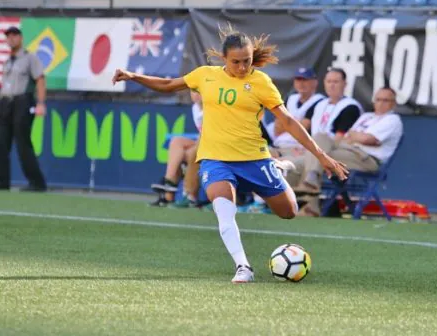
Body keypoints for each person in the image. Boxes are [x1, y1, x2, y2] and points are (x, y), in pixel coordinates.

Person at [112, 26, 348, 283]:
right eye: (236, 62)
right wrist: (133, 76)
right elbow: (169, 84)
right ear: (224, 59)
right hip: (216, 159)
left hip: (254, 159)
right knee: (224, 212)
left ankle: (278, 167)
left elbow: (289, 121)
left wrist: (322, 155)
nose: (242, 67)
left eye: (247, 61)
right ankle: (243, 266)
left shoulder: (261, 82)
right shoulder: (205, 75)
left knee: (288, 211)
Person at [300, 87, 404, 217]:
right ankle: (290, 197)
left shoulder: (393, 119)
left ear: (393, 103)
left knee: (315, 157)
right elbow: (347, 137)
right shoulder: (366, 116)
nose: (381, 103)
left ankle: (310, 201)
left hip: (366, 159)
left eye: (386, 100)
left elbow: (368, 139)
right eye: (378, 99)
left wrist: (356, 136)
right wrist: (357, 136)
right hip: (345, 151)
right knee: (316, 141)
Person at [280, 68, 363, 192]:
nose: (332, 85)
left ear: (344, 84)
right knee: (287, 162)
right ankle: (289, 198)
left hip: (336, 150)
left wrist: (311, 149)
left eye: (336, 81)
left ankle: (311, 177)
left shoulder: (350, 107)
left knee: (319, 139)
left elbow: (339, 138)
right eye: (329, 81)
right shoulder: (320, 104)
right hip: (316, 150)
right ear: (324, 83)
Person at [0, 26, 47, 192]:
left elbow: (40, 80)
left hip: (23, 101)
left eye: (14, 35)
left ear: (20, 38)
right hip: (5, 103)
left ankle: (37, 183)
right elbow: (5, 87)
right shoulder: (7, 62)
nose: (11, 39)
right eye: (8, 36)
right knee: (1, 141)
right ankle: (1, 182)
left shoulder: (30, 58)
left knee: (23, 143)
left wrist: (41, 103)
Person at [151, 91, 203, 207]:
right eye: (193, 92)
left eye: (198, 92)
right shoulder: (195, 108)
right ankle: (168, 181)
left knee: (192, 152)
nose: (195, 95)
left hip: (214, 145)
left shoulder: (212, 109)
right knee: (176, 141)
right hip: (202, 142)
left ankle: (186, 195)